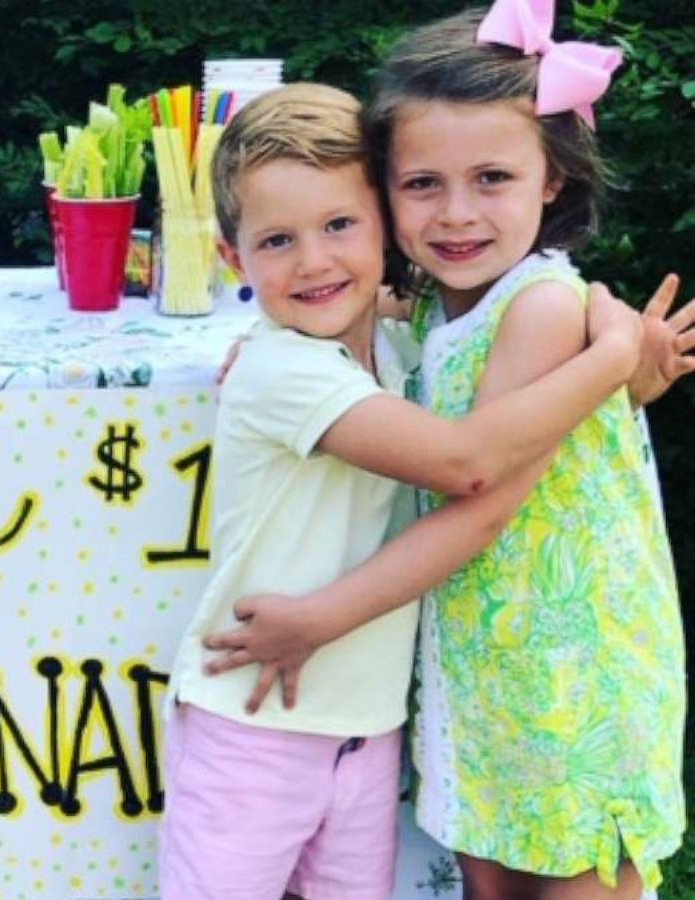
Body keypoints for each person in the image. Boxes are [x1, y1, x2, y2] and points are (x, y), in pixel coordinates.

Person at [202, 5, 689, 897]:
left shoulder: (543, 306)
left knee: (576, 871)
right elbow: (394, 323)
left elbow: (480, 490)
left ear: (552, 178)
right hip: (485, 657)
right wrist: (294, 327)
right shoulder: (437, 304)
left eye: (493, 177)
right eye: (422, 184)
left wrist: (322, 617)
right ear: (385, 193)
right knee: (491, 870)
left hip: (571, 662)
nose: (456, 213)